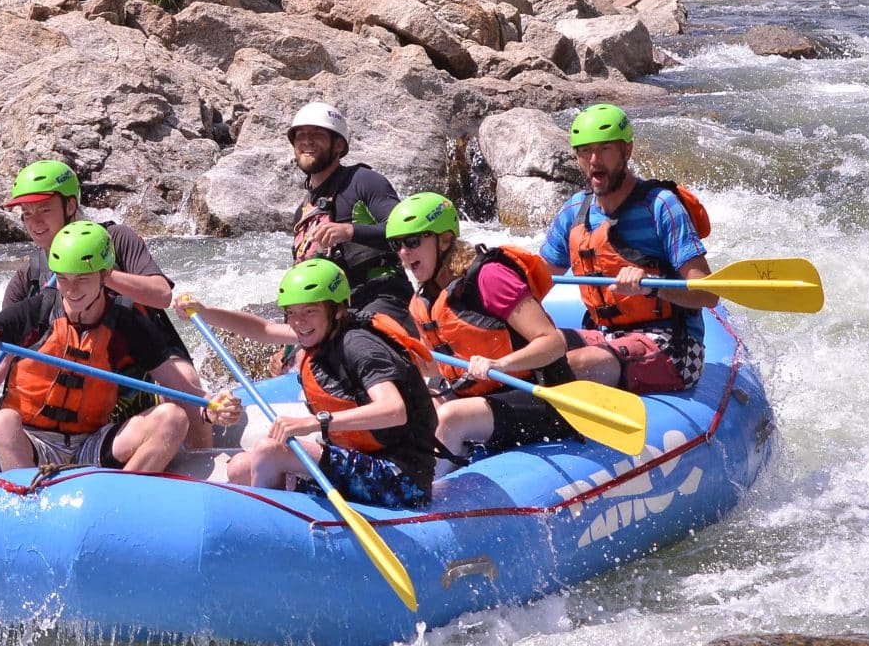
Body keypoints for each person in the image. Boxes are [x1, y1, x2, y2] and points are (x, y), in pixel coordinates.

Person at [0, 221, 202, 473]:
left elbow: (178, 387)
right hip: (32, 443)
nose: (71, 290)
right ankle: (27, 504)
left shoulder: (126, 322)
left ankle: (117, 498)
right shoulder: (36, 311)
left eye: (82, 278)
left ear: (104, 276)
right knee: (2, 422)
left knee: (173, 418)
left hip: (91, 443)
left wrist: (210, 406)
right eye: (63, 278)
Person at [178, 259, 438, 509]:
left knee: (270, 451)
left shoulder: (360, 346)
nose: (298, 323)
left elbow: (394, 410)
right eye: (291, 313)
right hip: (360, 458)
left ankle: (271, 534)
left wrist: (315, 423)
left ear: (337, 309)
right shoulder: (321, 332)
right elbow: (264, 330)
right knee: (239, 468)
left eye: (309, 311)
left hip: (400, 477)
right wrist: (206, 313)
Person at [0, 158, 211, 446]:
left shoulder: (117, 239)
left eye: (44, 210)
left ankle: (202, 468)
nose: (34, 223)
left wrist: (100, 273)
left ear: (70, 206)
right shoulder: (29, 276)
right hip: (81, 368)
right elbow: (4, 349)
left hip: (143, 356)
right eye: (27, 213)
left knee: (185, 382)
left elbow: (161, 295)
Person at [383, 191, 578, 463]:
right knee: (407, 409)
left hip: (543, 396)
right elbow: (434, 367)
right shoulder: (424, 298)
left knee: (451, 418)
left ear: (445, 240)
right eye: (397, 245)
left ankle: (423, 497)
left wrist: (500, 364)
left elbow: (553, 342)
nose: (404, 253)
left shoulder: (489, 277)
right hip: (483, 400)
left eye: (413, 242)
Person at [539, 104, 718, 394]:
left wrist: (653, 287)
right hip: (605, 335)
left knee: (572, 365)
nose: (594, 160)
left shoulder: (661, 206)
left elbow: (707, 295)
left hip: (674, 346)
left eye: (605, 149)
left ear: (627, 151)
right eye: (585, 151)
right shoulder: (574, 211)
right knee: (530, 353)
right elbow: (536, 282)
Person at [284, 102, 415, 333]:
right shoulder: (303, 212)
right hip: (335, 311)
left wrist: (349, 231)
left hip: (383, 296)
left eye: (317, 134)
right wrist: (288, 345)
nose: (307, 141)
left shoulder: (363, 181)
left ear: (338, 145)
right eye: (300, 135)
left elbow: (407, 231)